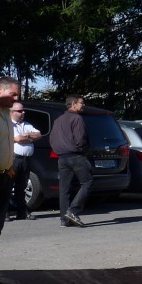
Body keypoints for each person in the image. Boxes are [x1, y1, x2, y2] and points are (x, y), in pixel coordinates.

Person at [0, 77, 21, 284]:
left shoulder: (5, 114)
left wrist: (9, 169)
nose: (16, 99)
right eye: (14, 94)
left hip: (3, 177)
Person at [49, 94, 92, 228]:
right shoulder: (77, 118)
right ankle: (73, 211)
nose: (83, 105)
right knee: (87, 182)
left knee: (64, 189)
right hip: (76, 156)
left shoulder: (58, 120)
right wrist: (85, 151)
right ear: (73, 104)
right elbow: (81, 138)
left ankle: (64, 219)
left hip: (62, 157)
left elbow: (52, 139)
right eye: (81, 103)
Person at [7, 102, 41, 221]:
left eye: (23, 110)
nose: (23, 113)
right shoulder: (9, 124)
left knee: (22, 186)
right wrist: (29, 138)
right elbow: (17, 138)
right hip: (13, 159)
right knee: (8, 185)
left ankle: (22, 212)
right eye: (20, 111)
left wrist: (26, 136)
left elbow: (39, 134)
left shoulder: (27, 124)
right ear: (12, 112)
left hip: (25, 160)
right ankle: (5, 212)